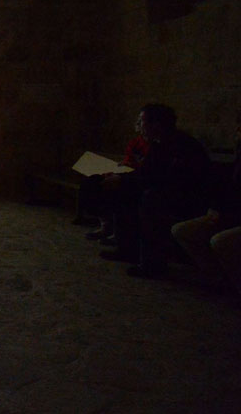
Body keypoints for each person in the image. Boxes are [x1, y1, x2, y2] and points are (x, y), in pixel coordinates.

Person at [99, 103, 211, 277]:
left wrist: (125, 180)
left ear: (156, 125)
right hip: (167, 190)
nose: (139, 127)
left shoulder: (182, 145)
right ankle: (127, 249)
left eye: (141, 122)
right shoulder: (159, 144)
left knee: (151, 199)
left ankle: (153, 263)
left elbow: (174, 180)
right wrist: (121, 179)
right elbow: (147, 173)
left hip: (190, 197)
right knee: (124, 189)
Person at [171, 121, 241, 291]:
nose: (237, 133)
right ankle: (219, 278)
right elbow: (231, 189)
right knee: (182, 231)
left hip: (234, 215)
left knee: (221, 241)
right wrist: (217, 207)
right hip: (232, 213)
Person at [76, 111, 149, 235]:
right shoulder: (135, 142)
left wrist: (123, 172)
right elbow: (128, 161)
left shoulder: (156, 146)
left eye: (141, 121)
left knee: (113, 190)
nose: (137, 124)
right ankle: (106, 224)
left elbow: (147, 170)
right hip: (126, 174)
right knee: (90, 183)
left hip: (136, 179)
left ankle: (118, 232)